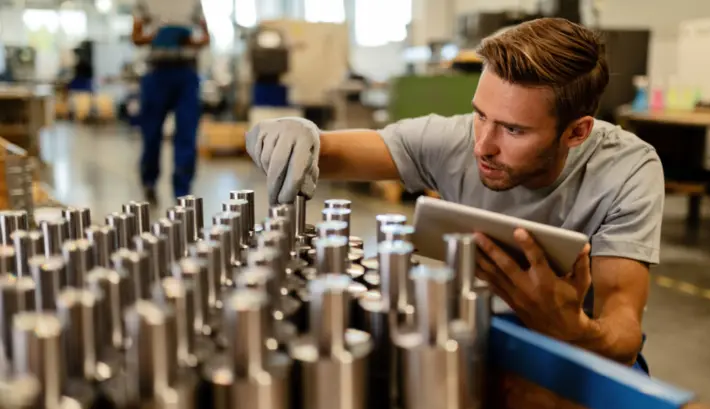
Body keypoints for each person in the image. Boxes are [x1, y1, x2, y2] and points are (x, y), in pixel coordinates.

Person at [245, 18, 663, 372]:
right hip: (482, 326)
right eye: (481, 115)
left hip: (582, 347)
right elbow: (332, 151)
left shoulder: (627, 170)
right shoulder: (455, 139)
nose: (482, 145)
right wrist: (287, 133)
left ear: (577, 132)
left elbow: (623, 333)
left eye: (513, 129)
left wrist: (572, 329)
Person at [132, 11, 210, 203]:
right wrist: (158, 36)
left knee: (187, 134)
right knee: (151, 135)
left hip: (186, 74)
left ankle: (182, 191)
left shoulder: (192, 3)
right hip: (157, 73)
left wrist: (187, 40)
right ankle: (149, 181)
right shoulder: (146, 3)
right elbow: (136, 37)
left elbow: (205, 37)